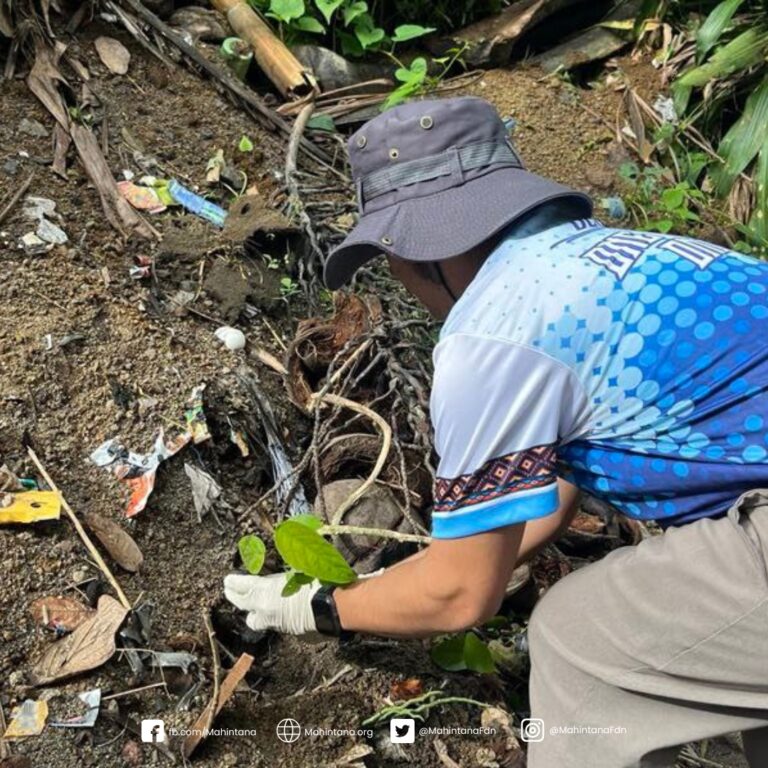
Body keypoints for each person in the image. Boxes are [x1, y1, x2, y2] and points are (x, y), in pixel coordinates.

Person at [224, 97, 768, 767]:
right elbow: (555, 491)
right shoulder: (609, 262)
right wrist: (429, 568)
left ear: (422, 250)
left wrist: (321, 608)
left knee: (580, 641)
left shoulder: (492, 334)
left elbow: (463, 595)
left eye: (387, 254)